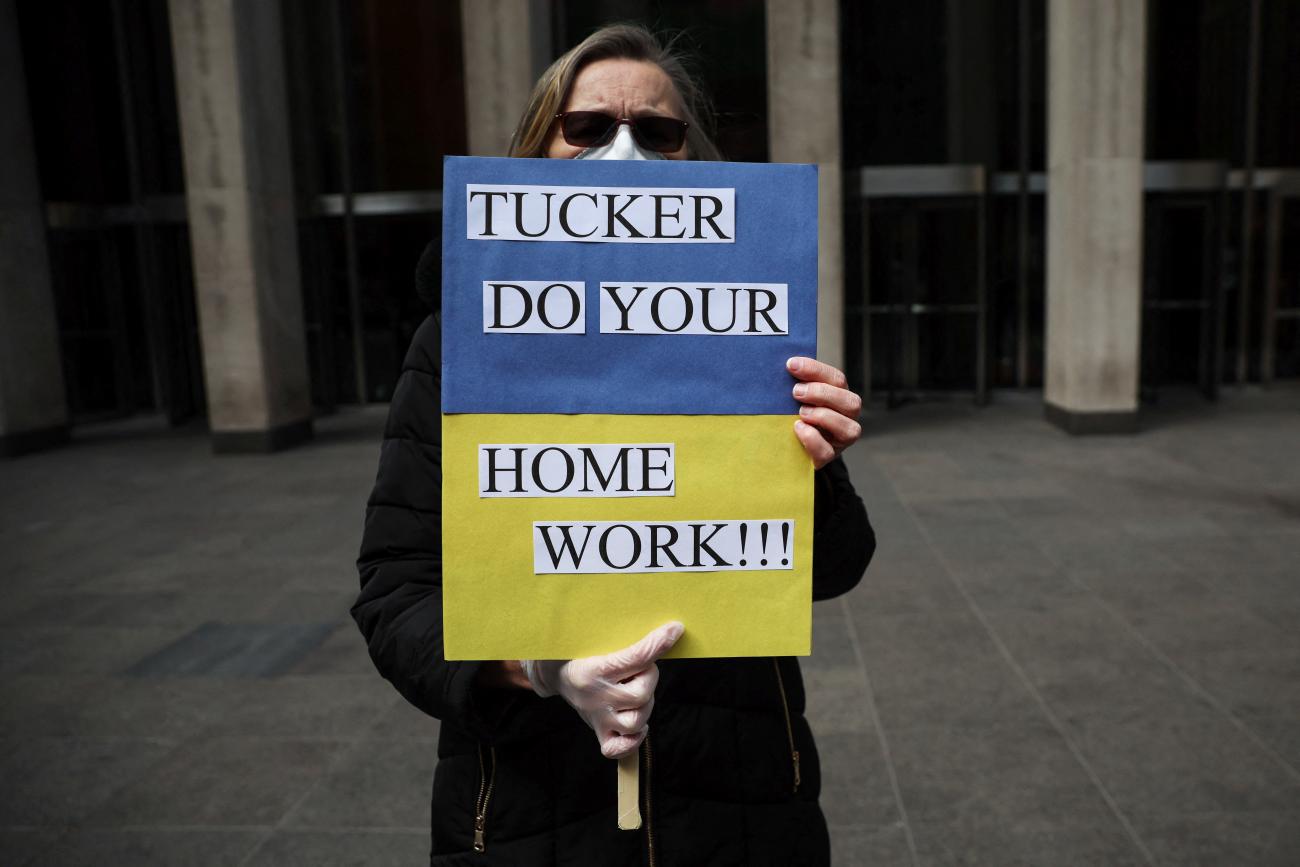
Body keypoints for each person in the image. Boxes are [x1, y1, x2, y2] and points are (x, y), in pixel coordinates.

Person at [353, 23, 875, 866]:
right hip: (533, 810)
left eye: (656, 132)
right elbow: (394, 591)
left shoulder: (754, 336)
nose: (622, 153)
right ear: (535, 154)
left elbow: (837, 564)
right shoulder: (453, 348)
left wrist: (816, 465)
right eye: (588, 127)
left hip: (740, 809)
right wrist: (534, 665)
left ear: (691, 163)